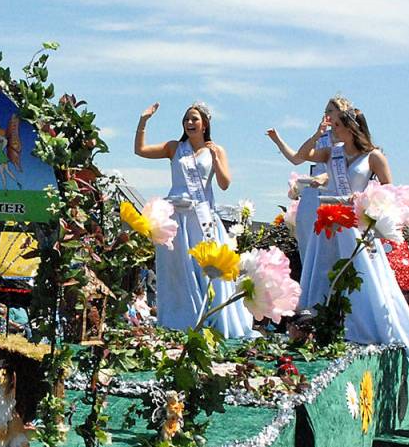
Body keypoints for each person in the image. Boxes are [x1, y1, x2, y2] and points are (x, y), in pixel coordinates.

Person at [292, 107, 409, 363]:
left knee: (360, 278)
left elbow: (390, 192)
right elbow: (301, 157)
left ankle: (359, 328)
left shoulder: (373, 156)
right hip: (329, 223)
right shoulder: (332, 153)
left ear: (351, 128)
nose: (333, 130)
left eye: (337, 126)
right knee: (325, 274)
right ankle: (322, 327)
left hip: (355, 226)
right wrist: (316, 134)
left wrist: (369, 203)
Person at [134, 102, 256, 338]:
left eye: (194, 119)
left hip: (202, 220)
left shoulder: (216, 150)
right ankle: (181, 320)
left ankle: (212, 321)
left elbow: (224, 183)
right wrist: (143, 121)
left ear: (205, 124)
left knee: (206, 271)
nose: (190, 123)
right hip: (177, 219)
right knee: (178, 272)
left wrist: (216, 157)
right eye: (187, 119)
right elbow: (140, 150)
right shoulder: (174, 148)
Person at [266, 96, 353, 309]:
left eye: (331, 111)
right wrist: (278, 140)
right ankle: (311, 300)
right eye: (325, 111)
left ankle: (331, 302)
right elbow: (297, 158)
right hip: (312, 197)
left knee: (331, 252)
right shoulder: (321, 138)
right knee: (308, 250)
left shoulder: (346, 142)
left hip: (333, 197)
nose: (327, 115)